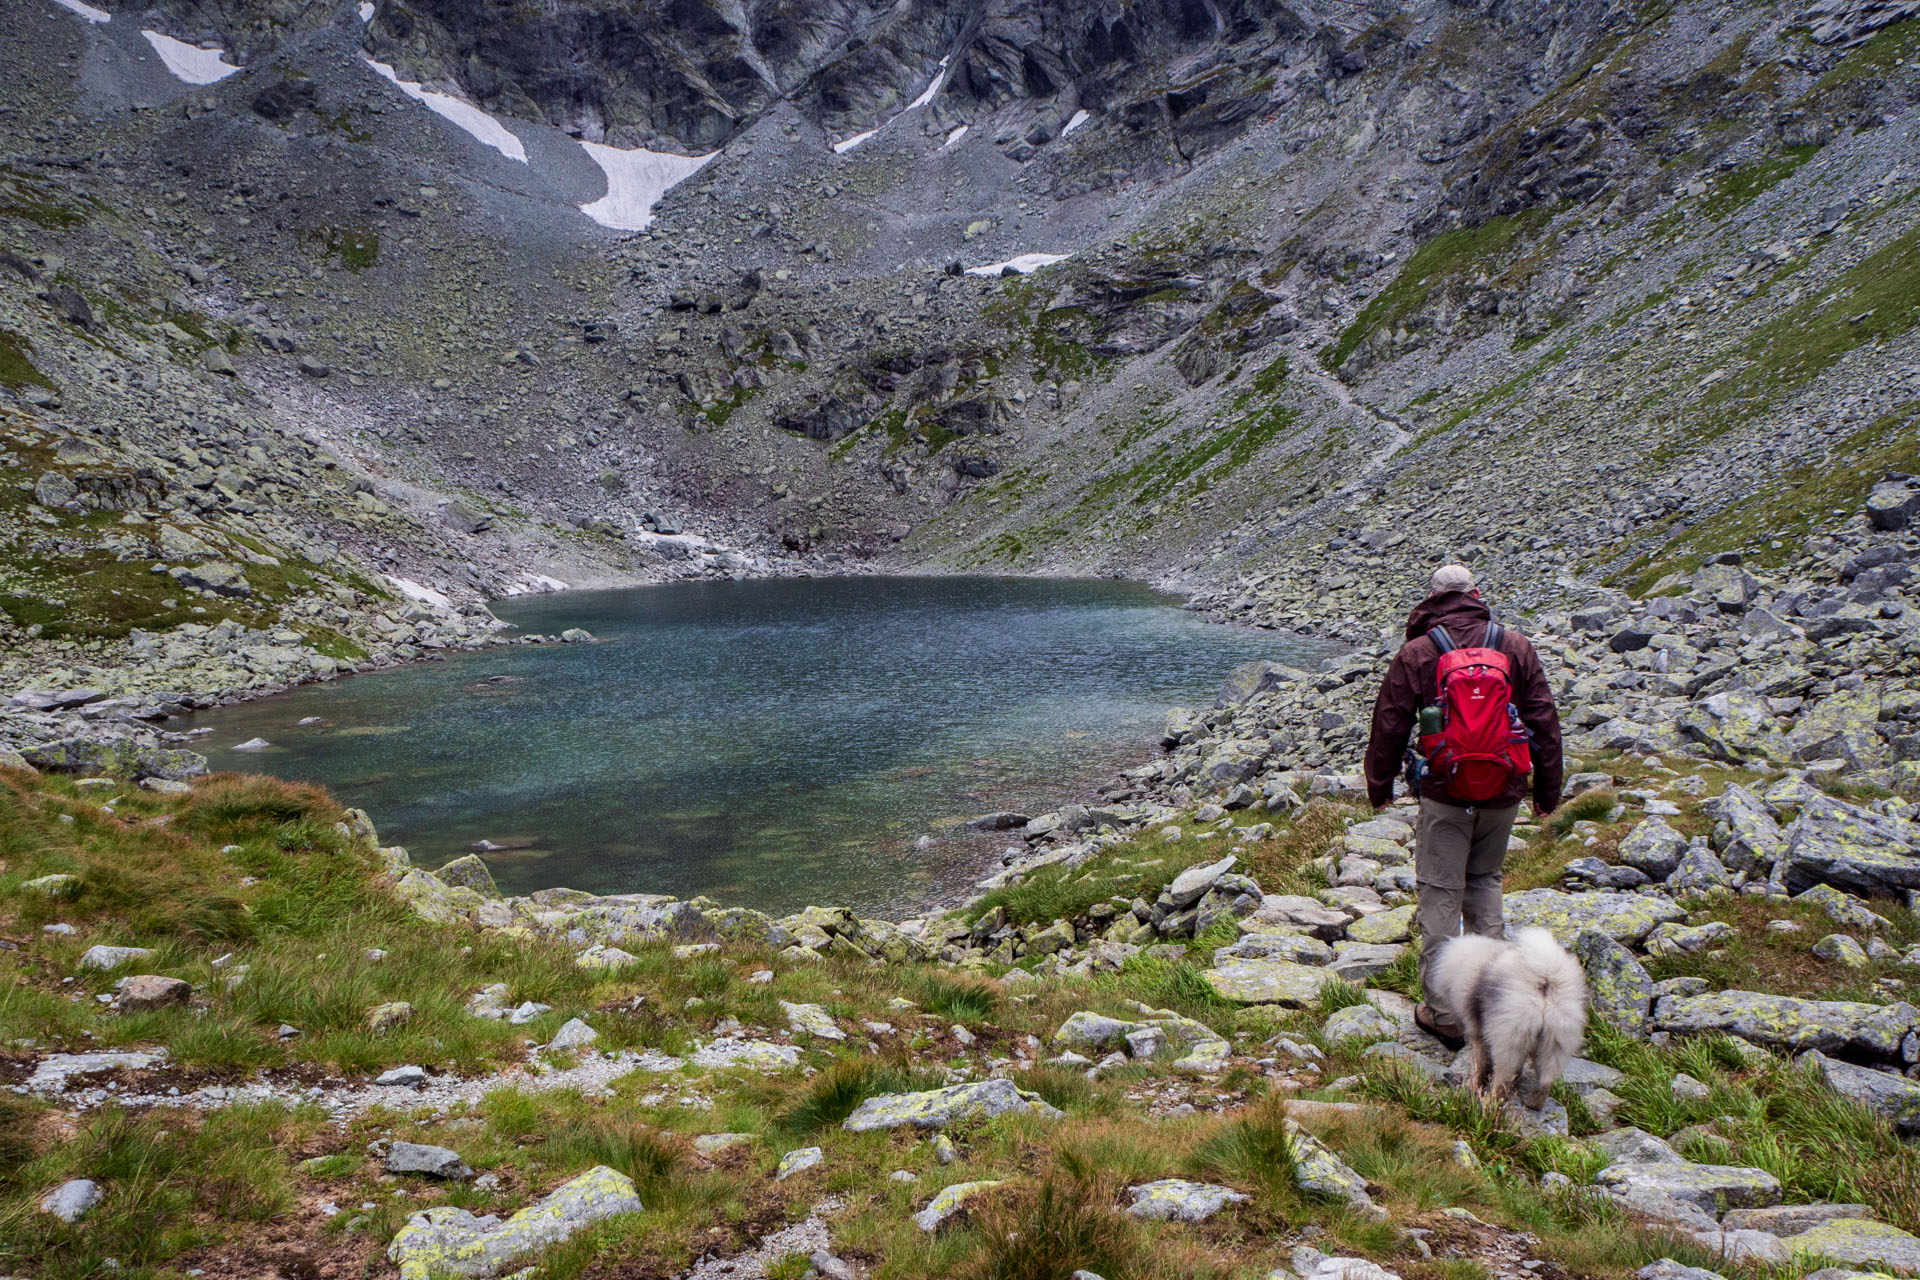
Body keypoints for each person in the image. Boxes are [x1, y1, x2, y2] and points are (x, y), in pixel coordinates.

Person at [1363, 564, 1563, 1050]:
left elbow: (1389, 722)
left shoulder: (1418, 651)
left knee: (1440, 892)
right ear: (1476, 594)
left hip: (1444, 792)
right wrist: (1547, 791)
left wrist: (1380, 784)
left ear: (1433, 598)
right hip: (1503, 790)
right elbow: (1543, 719)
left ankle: (1445, 1015)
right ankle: (1493, 1005)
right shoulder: (1514, 646)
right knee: (1485, 884)